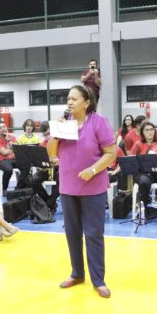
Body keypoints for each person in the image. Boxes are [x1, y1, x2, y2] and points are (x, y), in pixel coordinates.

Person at [46, 84, 116, 298]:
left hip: (93, 187)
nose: (69, 102)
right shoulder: (64, 124)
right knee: (72, 233)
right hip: (68, 187)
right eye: (68, 98)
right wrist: (56, 135)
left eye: (74, 99)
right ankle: (77, 274)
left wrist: (93, 169)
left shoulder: (98, 122)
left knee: (93, 233)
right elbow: (51, 153)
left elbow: (111, 153)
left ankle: (99, 280)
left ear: (87, 102)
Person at [30, 122, 61, 207]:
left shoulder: (61, 142)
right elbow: (39, 161)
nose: (47, 137)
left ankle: (49, 204)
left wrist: (58, 161)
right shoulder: (42, 144)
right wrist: (40, 167)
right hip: (47, 169)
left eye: (48, 133)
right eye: (45, 135)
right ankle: (50, 202)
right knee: (33, 179)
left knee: (61, 179)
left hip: (59, 168)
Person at [0, 121, 24, 192]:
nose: (3, 129)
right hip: (2, 161)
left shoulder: (12, 137)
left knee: (26, 165)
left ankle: (20, 187)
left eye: (4, 127)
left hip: (13, 159)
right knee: (8, 170)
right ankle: (4, 188)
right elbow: (4, 152)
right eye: (0, 128)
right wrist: (13, 148)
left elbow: (18, 149)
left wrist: (9, 141)